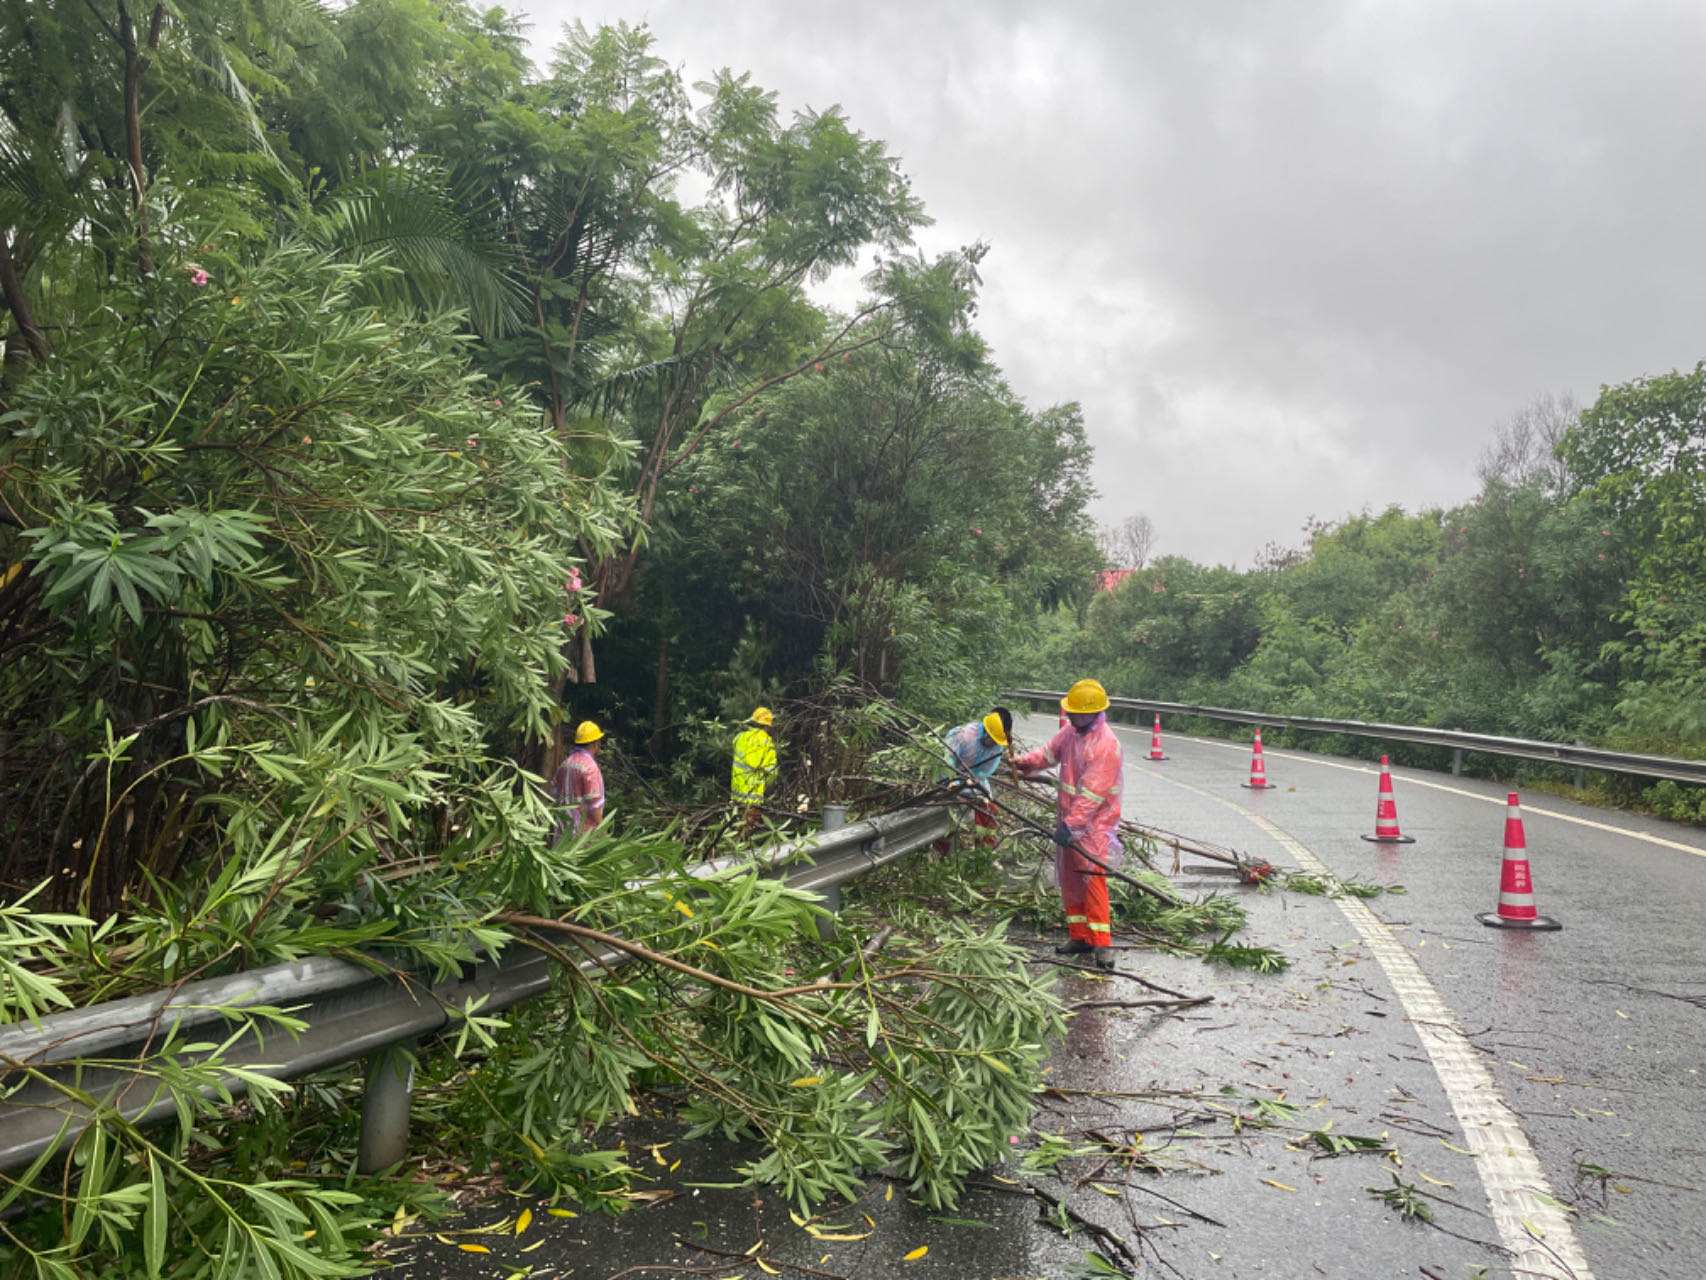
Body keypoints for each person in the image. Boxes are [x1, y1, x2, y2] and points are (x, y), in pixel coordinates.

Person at [1012, 679, 1124, 969]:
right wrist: (1026, 762)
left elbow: (1092, 794)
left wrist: (1072, 824)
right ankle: (1080, 937)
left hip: (1094, 827)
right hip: (1071, 823)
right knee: (1072, 881)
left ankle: (1102, 946)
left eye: (1074, 711)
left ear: (1090, 713)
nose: (1070, 715)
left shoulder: (1106, 746)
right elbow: (1049, 753)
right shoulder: (1071, 733)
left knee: (1093, 881)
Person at [935, 708, 1013, 853]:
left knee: (989, 811)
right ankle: (942, 852)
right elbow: (946, 764)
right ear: (985, 732)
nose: (993, 745)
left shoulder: (997, 746)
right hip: (950, 783)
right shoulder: (962, 735)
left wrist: (976, 790)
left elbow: (983, 773)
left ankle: (984, 853)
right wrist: (955, 783)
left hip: (975, 785)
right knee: (949, 817)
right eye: (992, 740)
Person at [551, 720, 606, 839]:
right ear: (596, 744)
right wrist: (602, 829)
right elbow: (594, 803)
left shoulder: (566, 763)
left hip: (563, 828)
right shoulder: (590, 767)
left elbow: (554, 792)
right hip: (583, 832)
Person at [731, 707, 778, 833]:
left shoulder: (740, 737)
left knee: (736, 829)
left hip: (737, 795)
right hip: (754, 798)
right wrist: (765, 786)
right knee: (750, 832)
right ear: (768, 725)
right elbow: (772, 772)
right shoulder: (767, 743)